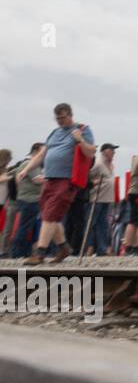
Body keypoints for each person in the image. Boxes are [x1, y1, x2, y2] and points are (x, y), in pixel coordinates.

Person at [14, 104, 96, 265]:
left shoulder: (83, 130)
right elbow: (41, 155)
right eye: (57, 118)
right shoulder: (54, 132)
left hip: (67, 180)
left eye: (62, 118)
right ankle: (64, 247)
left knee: (50, 215)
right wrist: (26, 170)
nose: (60, 121)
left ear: (70, 115)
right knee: (49, 216)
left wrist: (79, 139)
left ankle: (40, 253)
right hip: (50, 179)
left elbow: (90, 152)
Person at [8, 143, 43, 259]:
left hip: (25, 199)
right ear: (36, 151)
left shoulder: (24, 164)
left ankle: (23, 252)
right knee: (24, 227)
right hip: (30, 200)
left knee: (26, 227)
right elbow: (37, 180)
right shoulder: (30, 164)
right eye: (42, 152)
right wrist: (52, 178)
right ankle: (17, 253)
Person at [87, 143, 119, 256]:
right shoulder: (98, 164)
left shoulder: (109, 165)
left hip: (106, 199)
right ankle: (89, 247)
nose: (114, 153)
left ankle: (103, 248)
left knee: (103, 225)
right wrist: (93, 182)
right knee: (92, 224)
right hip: (97, 198)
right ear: (105, 151)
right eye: (112, 150)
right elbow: (88, 176)